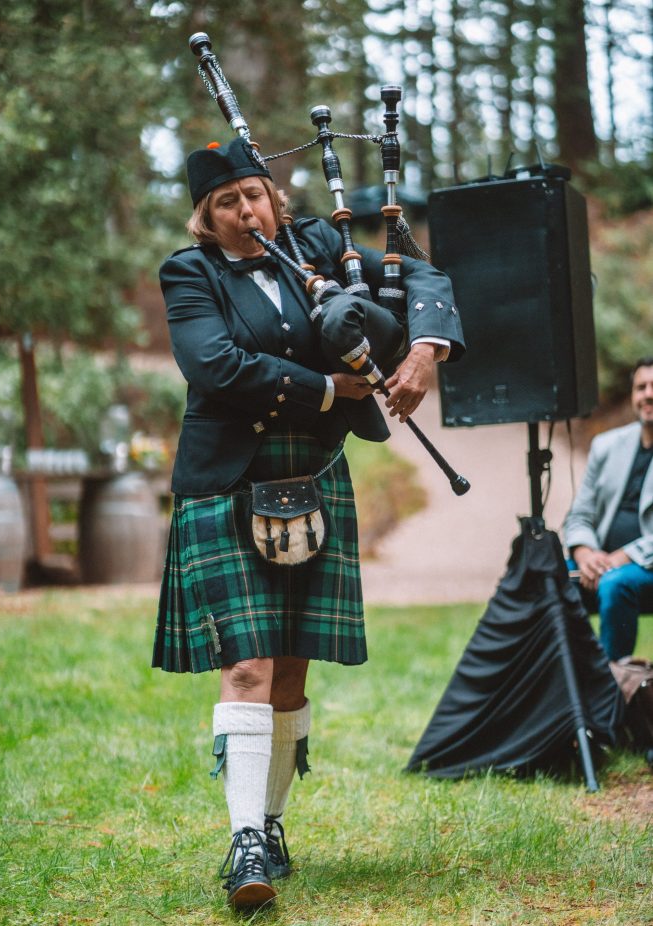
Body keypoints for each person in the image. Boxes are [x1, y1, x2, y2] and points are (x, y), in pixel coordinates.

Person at [151, 136, 465, 910]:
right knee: (248, 668)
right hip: (228, 481)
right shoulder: (189, 273)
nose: (244, 210)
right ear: (205, 217)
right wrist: (330, 390)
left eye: (252, 194)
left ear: (272, 196)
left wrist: (424, 347)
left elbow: (417, 271)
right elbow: (216, 366)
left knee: (289, 671)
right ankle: (244, 843)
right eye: (225, 203)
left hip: (315, 474)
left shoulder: (317, 245)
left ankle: (270, 821)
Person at [563, 357, 653, 661]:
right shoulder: (607, 446)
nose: (648, 394)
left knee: (616, 584)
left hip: (641, 568)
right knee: (549, 577)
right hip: (600, 562)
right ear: (633, 395)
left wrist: (621, 558)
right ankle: (567, 680)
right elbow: (579, 515)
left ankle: (611, 687)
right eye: (641, 387)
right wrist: (585, 554)